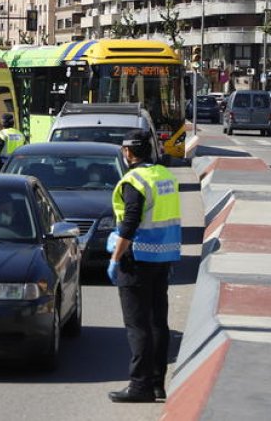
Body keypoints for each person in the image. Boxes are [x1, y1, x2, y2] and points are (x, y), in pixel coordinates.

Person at [106, 130, 181, 404]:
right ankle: (157, 383)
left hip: (136, 261)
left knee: (137, 326)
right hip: (163, 258)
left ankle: (140, 386)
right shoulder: (166, 176)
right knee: (157, 322)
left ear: (128, 152)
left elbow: (130, 223)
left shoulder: (133, 181)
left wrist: (115, 258)